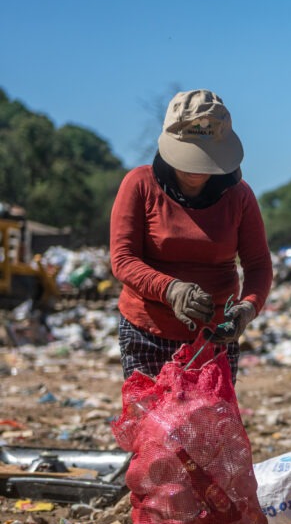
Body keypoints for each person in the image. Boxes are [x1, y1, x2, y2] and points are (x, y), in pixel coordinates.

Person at [110, 89, 272, 383]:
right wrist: (171, 289)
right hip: (147, 331)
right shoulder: (140, 185)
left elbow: (258, 264)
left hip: (215, 336)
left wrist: (248, 308)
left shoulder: (240, 196)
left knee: (205, 425)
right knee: (156, 426)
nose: (198, 170)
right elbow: (123, 259)